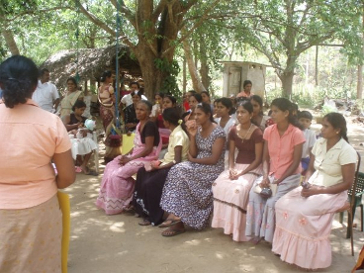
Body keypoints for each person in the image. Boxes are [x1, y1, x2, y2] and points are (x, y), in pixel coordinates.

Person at [0, 55, 75, 272]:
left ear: (1, 84)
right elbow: (67, 177)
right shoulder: (51, 123)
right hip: (39, 210)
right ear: (34, 86)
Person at [272, 113, 356, 270]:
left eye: (326, 126)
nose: (322, 129)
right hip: (313, 186)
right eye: (322, 125)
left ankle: (308, 258)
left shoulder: (346, 150)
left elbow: (347, 184)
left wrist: (319, 190)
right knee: (281, 204)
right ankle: (287, 250)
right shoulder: (320, 143)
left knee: (301, 212)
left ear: (337, 130)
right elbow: (310, 168)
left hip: (333, 192)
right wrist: (307, 184)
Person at [160, 102, 226, 236]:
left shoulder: (218, 132)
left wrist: (194, 160)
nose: (195, 117)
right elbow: (193, 153)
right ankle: (177, 217)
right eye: (194, 114)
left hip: (212, 168)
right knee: (177, 170)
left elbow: (214, 159)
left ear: (208, 115)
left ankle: (177, 217)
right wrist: (192, 135)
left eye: (199, 114)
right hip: (198, 165)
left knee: (179, 170)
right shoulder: (199, 129)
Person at [245, 98, 305, 244]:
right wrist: (265, 176)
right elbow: (265, 158)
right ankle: (257, 232)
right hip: (271, 175)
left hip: (290, 177)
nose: (272, 114)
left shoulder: (296, 133)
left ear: (286, 113)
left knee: (272, 202)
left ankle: (271, 238)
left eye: (276, 111)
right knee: (254, 193)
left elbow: (296, 162)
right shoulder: (268, 131)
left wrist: (280, 180)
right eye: (271, 110)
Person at [96, 100, 162, 215]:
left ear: (148, 112)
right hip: (136, 156)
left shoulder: (149, 125)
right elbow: (136, 146)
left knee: (116, 176)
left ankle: (130, 198)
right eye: (137, 109)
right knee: (110, 166)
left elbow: (148, 149)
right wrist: (126, 155)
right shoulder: (139, 124)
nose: (138, 112)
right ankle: (132, 193)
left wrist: (130, 159)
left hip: (147, 158)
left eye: (142, 110)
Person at [212, 101, 264, 242]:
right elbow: (231, 153)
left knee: (238, 191)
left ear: (251, 114)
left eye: (243, 112)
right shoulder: (234, 130)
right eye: (238, 112)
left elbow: (258, 159)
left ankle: (237, 229)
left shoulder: (257, 132)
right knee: (218, 185)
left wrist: (241, 173)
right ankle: (225, 225)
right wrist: (231, 168)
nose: (240, 115)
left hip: (252, 167)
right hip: (237, 166)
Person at [133, 108, 189, 226]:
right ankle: (141, 208)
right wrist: (158, 163)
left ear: (167, 122)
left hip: (175, 168)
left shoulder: (179, 134)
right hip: (166, 163)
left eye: (164, 121)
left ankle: (155, 216)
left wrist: (158, 168)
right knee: (142, 171)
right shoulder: (174, 132)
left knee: (150, 183)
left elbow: (177, 161)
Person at [63, 100, 98, 175]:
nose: (82, 112)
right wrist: (75, 126)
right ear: (75, 108)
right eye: (81, 109)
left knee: (91, 144)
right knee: (77, 145)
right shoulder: (69, 116)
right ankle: (84, 166)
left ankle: (83, 165)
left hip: (82, 138)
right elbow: (64, 127)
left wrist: (87, 130)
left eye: (83, 110)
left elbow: (92, 128)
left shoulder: (85, 119)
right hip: (71, 138)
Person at [214, 97, 236, 168]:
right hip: (215, 151)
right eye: (217, 107)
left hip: (228, 152)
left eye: (221, 107)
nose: (218, 109)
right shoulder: (215, 121)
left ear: (228, 109)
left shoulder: (233, 123)